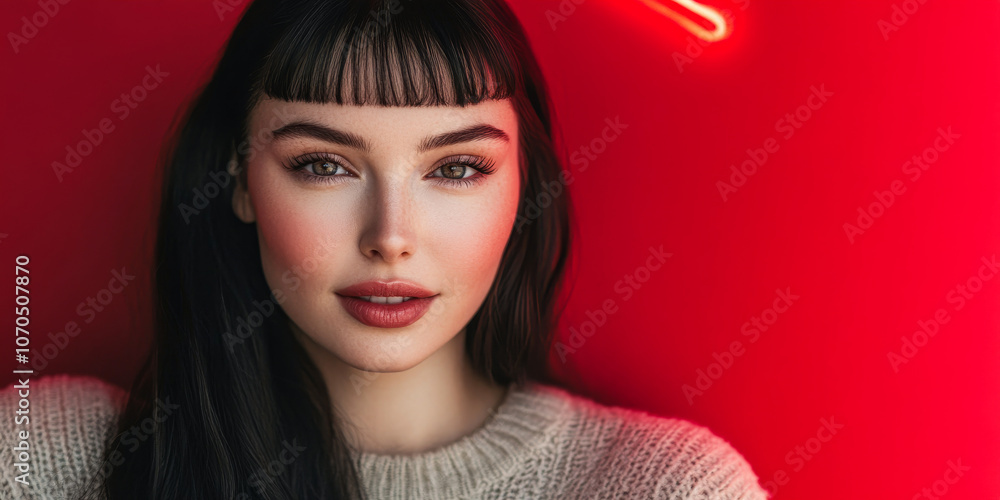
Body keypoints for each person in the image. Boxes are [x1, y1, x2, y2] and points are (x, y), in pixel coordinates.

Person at [0, 0, 769, 498]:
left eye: (457, 168)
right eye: (323, 165)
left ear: (522, 188)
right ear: (238, 180)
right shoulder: (47, 460)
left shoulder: (666, 488)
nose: (390, 236)